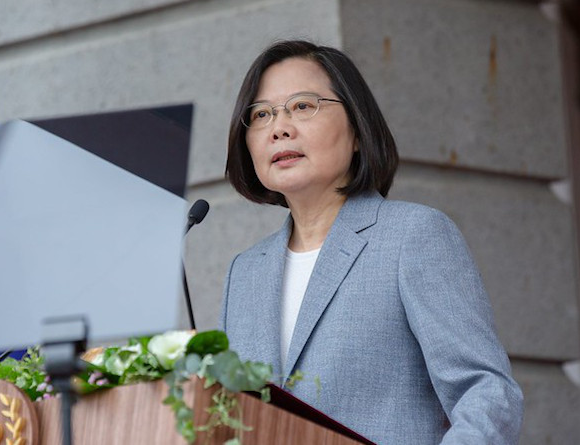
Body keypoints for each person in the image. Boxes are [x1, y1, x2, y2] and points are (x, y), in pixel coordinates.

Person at [218, 40, 523, 444]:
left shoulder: (412, 236)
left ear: (358, 130)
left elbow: (485, 392)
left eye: (303, 106)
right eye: (261, 114)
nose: (279, 128)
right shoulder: (245, 272)